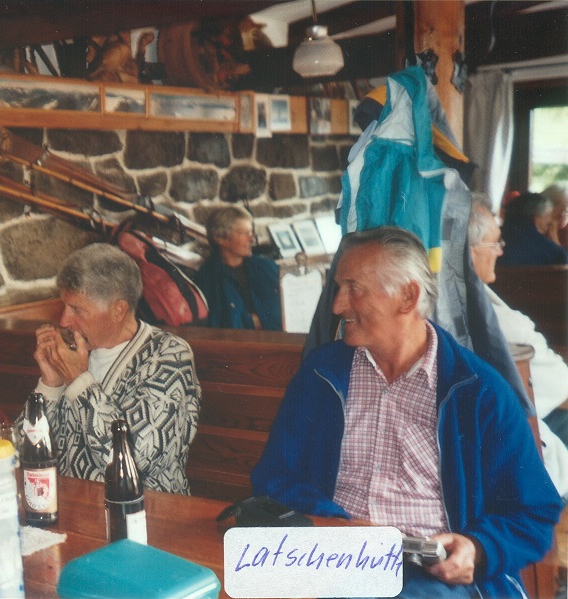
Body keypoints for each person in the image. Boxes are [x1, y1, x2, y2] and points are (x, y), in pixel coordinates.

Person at [251, 226, 561, 598]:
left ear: (407, 296)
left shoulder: (478, 391)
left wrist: (478, 549)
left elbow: (535, 513)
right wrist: (338, 524)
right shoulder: (322, 374)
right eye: (338, 288)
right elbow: (274, 477)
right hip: (326, 556)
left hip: (425, 575)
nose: (337, 305)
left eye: (354, 288)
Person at [17, 243, 200, 494]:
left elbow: (131, 462)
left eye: (77, 309)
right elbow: (21, 452)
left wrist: (79, 380)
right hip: (76, 510)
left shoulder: (168, 356)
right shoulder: (74, 352)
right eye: (65, 306)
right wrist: (50, 384)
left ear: (118, 310)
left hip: (148, 515)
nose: (63, 321)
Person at [469, 199, 568, 497]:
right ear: (469, 252)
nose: (501, 250)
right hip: (504, 444)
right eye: (494, 244)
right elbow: (560, 382)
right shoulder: (497, 321)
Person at [194, 206, 282, 330]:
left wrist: (256, 320)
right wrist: (255, 321)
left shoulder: (266, 267)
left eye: (251, 233)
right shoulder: (208, 278)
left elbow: (289, 312)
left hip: (279, 341)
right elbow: (223, 326)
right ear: (220, 239)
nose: (251, 239)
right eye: (244, 234)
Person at [498, 191, 568, 265]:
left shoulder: (492, 246)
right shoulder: (556, 254)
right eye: (548, 215)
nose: (550, 221)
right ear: (537, 219)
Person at [542, 182, 568, 250]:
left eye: (567, 205)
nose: (563, 210)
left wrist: (555, 242)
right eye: (556, 204)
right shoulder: (539, 227)